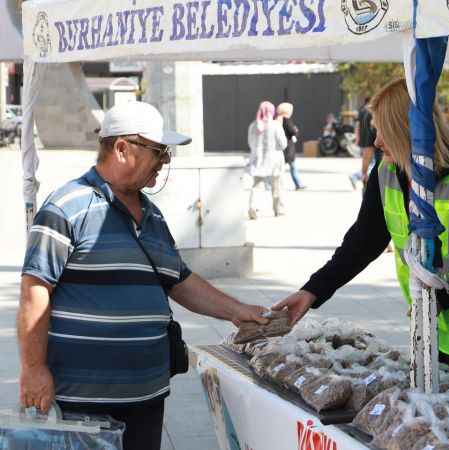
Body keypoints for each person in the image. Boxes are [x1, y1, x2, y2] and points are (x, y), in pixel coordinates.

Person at [17, 101, 269, 450]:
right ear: (122, 148)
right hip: (81, 401)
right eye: (159, 151)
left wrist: (239, 311)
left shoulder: (153, 216)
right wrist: (33, 369)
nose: (165, 162)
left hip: (147, 395)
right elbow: (35, 291)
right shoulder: (66, 207)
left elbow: (179, 280)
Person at [273, 79, 449, 383]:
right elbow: (363, 242)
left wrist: (444, 297)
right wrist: (312, 291)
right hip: (431, 324)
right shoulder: (388, 171)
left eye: (383, 130)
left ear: (409, 130)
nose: (377, 142)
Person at [247, 101, 288, 219]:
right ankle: (279, 210)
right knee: (278, 186)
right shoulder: (276, 125)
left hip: (259, 161)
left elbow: (250, 143)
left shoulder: (253, 125)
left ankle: (253, 208)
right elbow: (283, 144)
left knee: (257, 186)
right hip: (275, 161)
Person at [350, 97, 381, 191]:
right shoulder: (372, 113)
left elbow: (357, 125)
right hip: (371, 143)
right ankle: (360, 177)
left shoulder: (363, 111)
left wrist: (357, 138)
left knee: (369, 160)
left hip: (367, 142)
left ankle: (360, 177)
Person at [277, 102, 306, 190]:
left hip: (280, 147)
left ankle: (277, 184)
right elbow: (292, 131)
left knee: (279, 168)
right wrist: (296, 130)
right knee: (293, 166)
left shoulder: (278, 119)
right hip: (288, 147)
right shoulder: (287, 119)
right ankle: (298, 183)